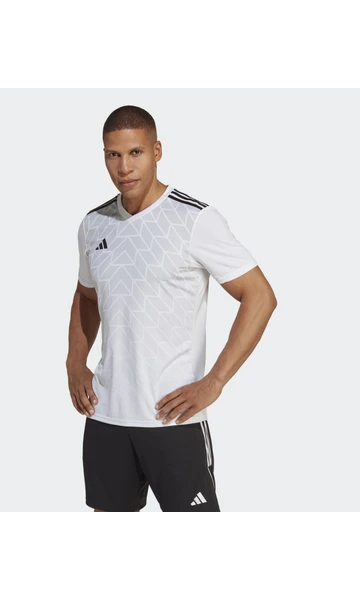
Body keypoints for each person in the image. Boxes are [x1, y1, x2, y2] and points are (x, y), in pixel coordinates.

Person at [66, 105, 277, 512]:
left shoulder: (194, 219)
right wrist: (75, 362)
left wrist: (215, 381)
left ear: (157, 151)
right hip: (107, 417)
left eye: (136, 153)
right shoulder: (94, 224)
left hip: (173, 418)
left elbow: (260, 296)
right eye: (113, 155)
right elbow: (87, 295)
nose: (124, 167)